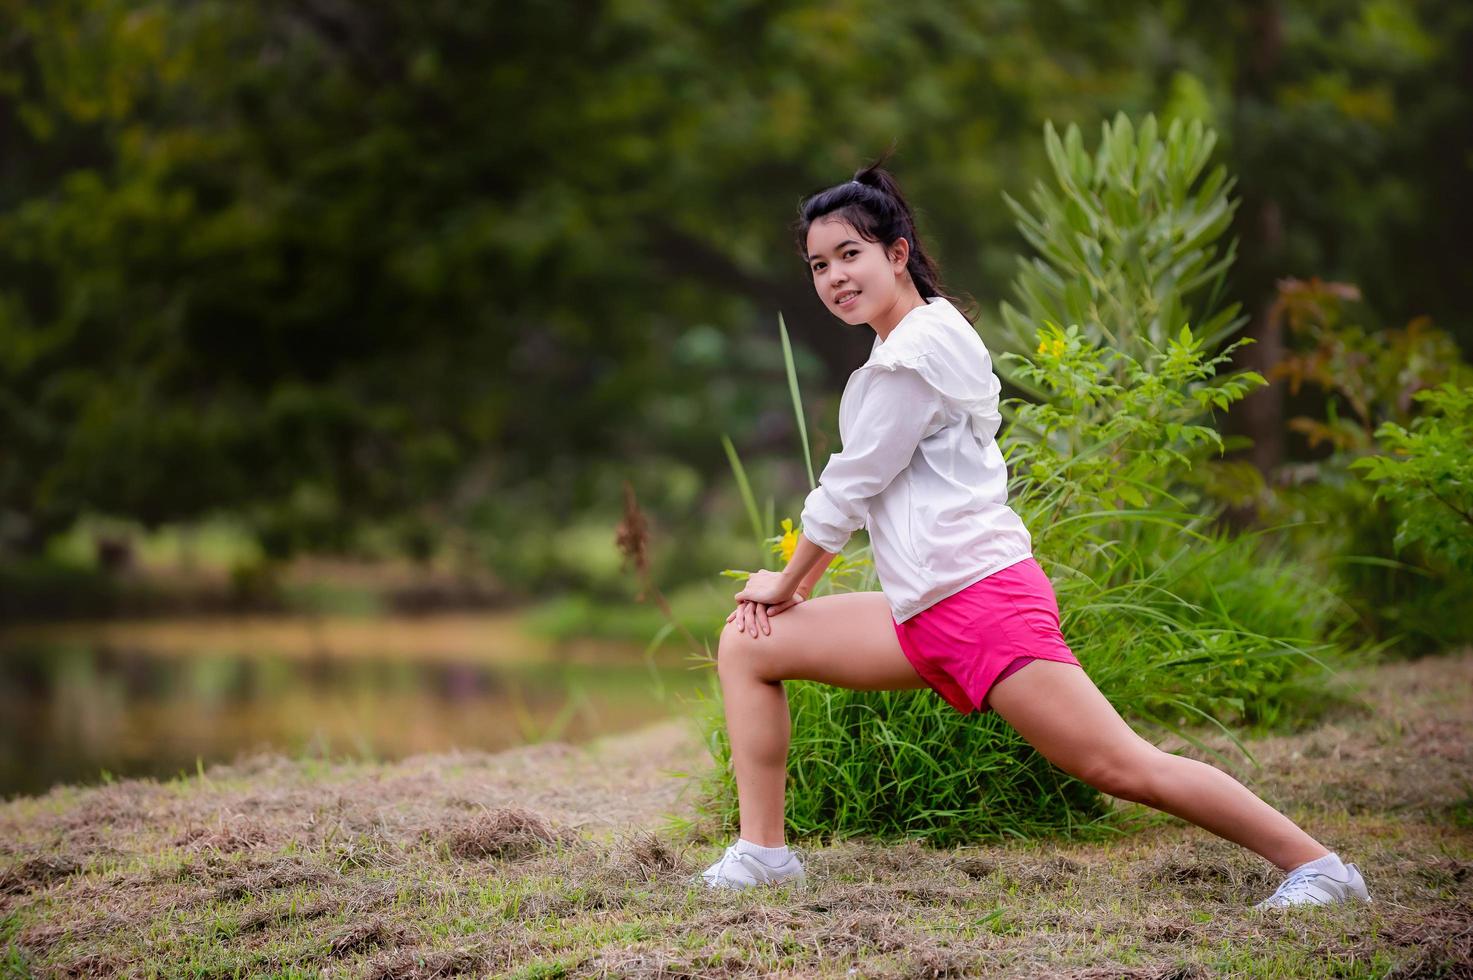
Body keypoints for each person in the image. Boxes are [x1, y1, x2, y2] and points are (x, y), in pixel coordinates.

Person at [698, 159, 1372, 911]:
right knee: (749, 644)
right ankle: (762, 854)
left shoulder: (910, 358)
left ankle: (1320, 868)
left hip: (980, 603)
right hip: (924, 608)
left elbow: (849, 489)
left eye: (849, 255)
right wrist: (790, 596)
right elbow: (871, 486)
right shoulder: (924, 334)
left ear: (896, 251)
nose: (833, 278)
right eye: (818, 265)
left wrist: (787, 582)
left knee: (1122, 767)